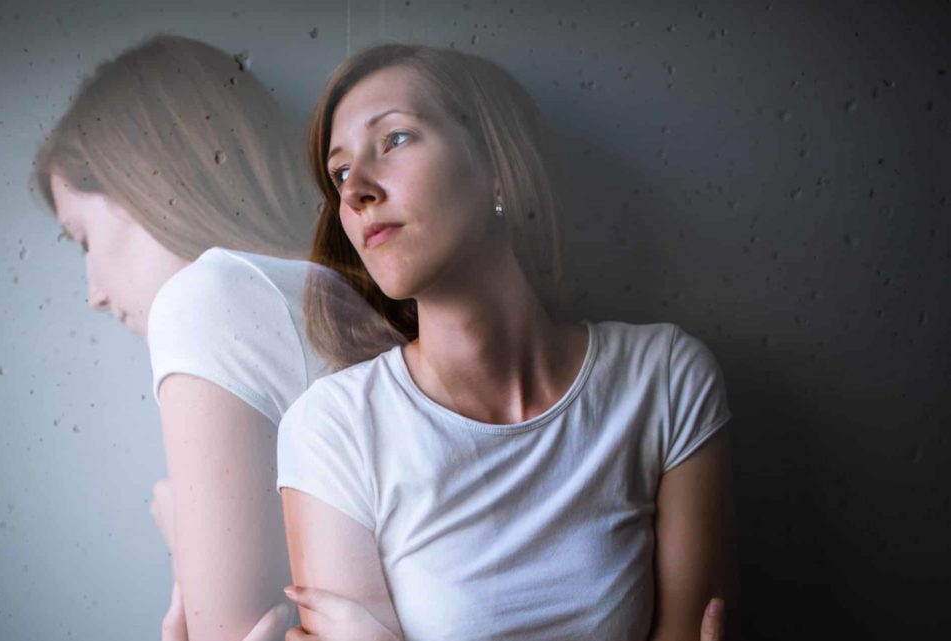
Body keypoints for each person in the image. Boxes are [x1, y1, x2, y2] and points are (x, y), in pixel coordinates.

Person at [276, 43, 736, 641]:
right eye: (339, 172)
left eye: (394, 139)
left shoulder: (665, 379)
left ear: (496, 165)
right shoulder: (332, 428)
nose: (355, 189)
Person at [30, 34, 403, 641]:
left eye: (83, 238)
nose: (92, 292)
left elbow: (236, 632)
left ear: (141, 185)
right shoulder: (346, 296)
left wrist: (187, 543)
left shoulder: (205, 299)